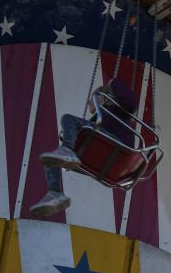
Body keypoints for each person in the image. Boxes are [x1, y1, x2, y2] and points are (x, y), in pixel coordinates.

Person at [31, 78, 139, 217]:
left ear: (100, 98)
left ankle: (67, 150)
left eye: (90, 99)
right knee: (51, 161)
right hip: (104, 155)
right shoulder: (97, 122)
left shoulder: (118, 110)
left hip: (117, 146)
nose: (88, 103)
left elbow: (131, 102)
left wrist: (113, 82)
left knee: (68, 119)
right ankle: (56, 193)